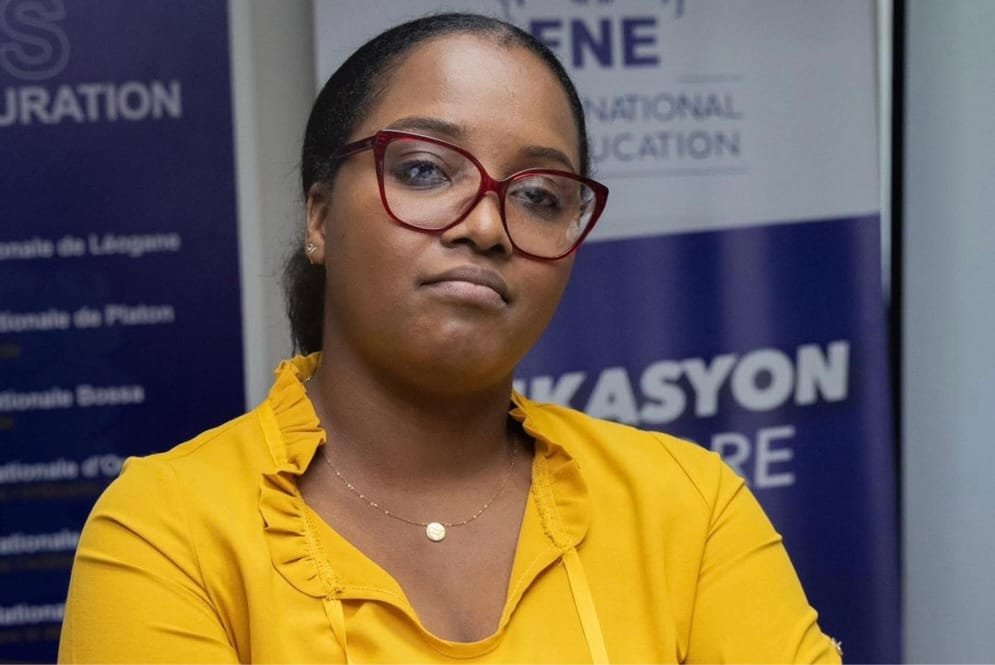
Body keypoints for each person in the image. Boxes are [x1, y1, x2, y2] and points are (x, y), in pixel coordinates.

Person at [59, 13, 841, 664]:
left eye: (539, 195)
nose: (486, 225)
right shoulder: (169, 530)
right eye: (427, 170)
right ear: (319, 217)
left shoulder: (684, 503)